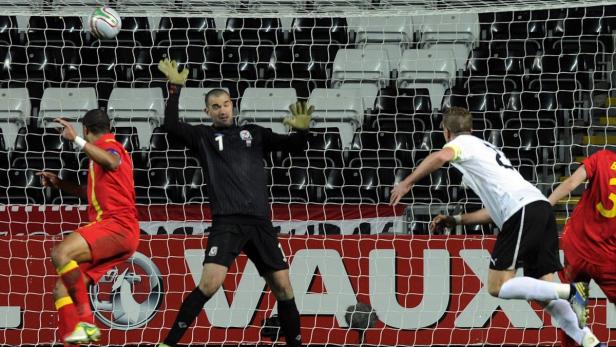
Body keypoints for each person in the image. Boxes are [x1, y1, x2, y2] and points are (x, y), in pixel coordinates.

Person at [389, 107, 604, 347]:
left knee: (497, 286)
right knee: (547, 295)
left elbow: (441, 157)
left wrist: (406, 183)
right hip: (539, 208)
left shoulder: (464, 143)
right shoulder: (486, 151)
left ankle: (570, 291)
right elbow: (494, 211)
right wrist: (456, 220)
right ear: (472, 127)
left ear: (447, 132)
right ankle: (591, 342)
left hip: (522, 211)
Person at [155, 59, 311, 347]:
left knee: (284, 289)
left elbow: (293, 146)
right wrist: (174, 89)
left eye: (226, 104)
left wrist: (301, 132)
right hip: (227, 221)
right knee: (209, 284)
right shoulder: (203, 136)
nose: (223, 109)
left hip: (260, 223)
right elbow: (171, 125)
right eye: (216, 106)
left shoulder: (254, 133)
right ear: (208, 111)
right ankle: (167, 343)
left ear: (233, 106)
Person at [38, 111, 140, 345]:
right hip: (118, 232)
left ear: (86, 130)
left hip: (117, 226)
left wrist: (76, 140)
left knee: (60, 253)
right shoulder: (99, 157)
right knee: (62, 291)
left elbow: (112, 161)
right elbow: (91, 192)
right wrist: (60, 184)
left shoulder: (111, 147)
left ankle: (87, 324)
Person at [548, 150, 616, 346]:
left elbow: (570, 184)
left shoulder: (602, 157)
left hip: (577, 249)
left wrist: (545, 205)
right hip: (607, 258)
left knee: (576, 307)